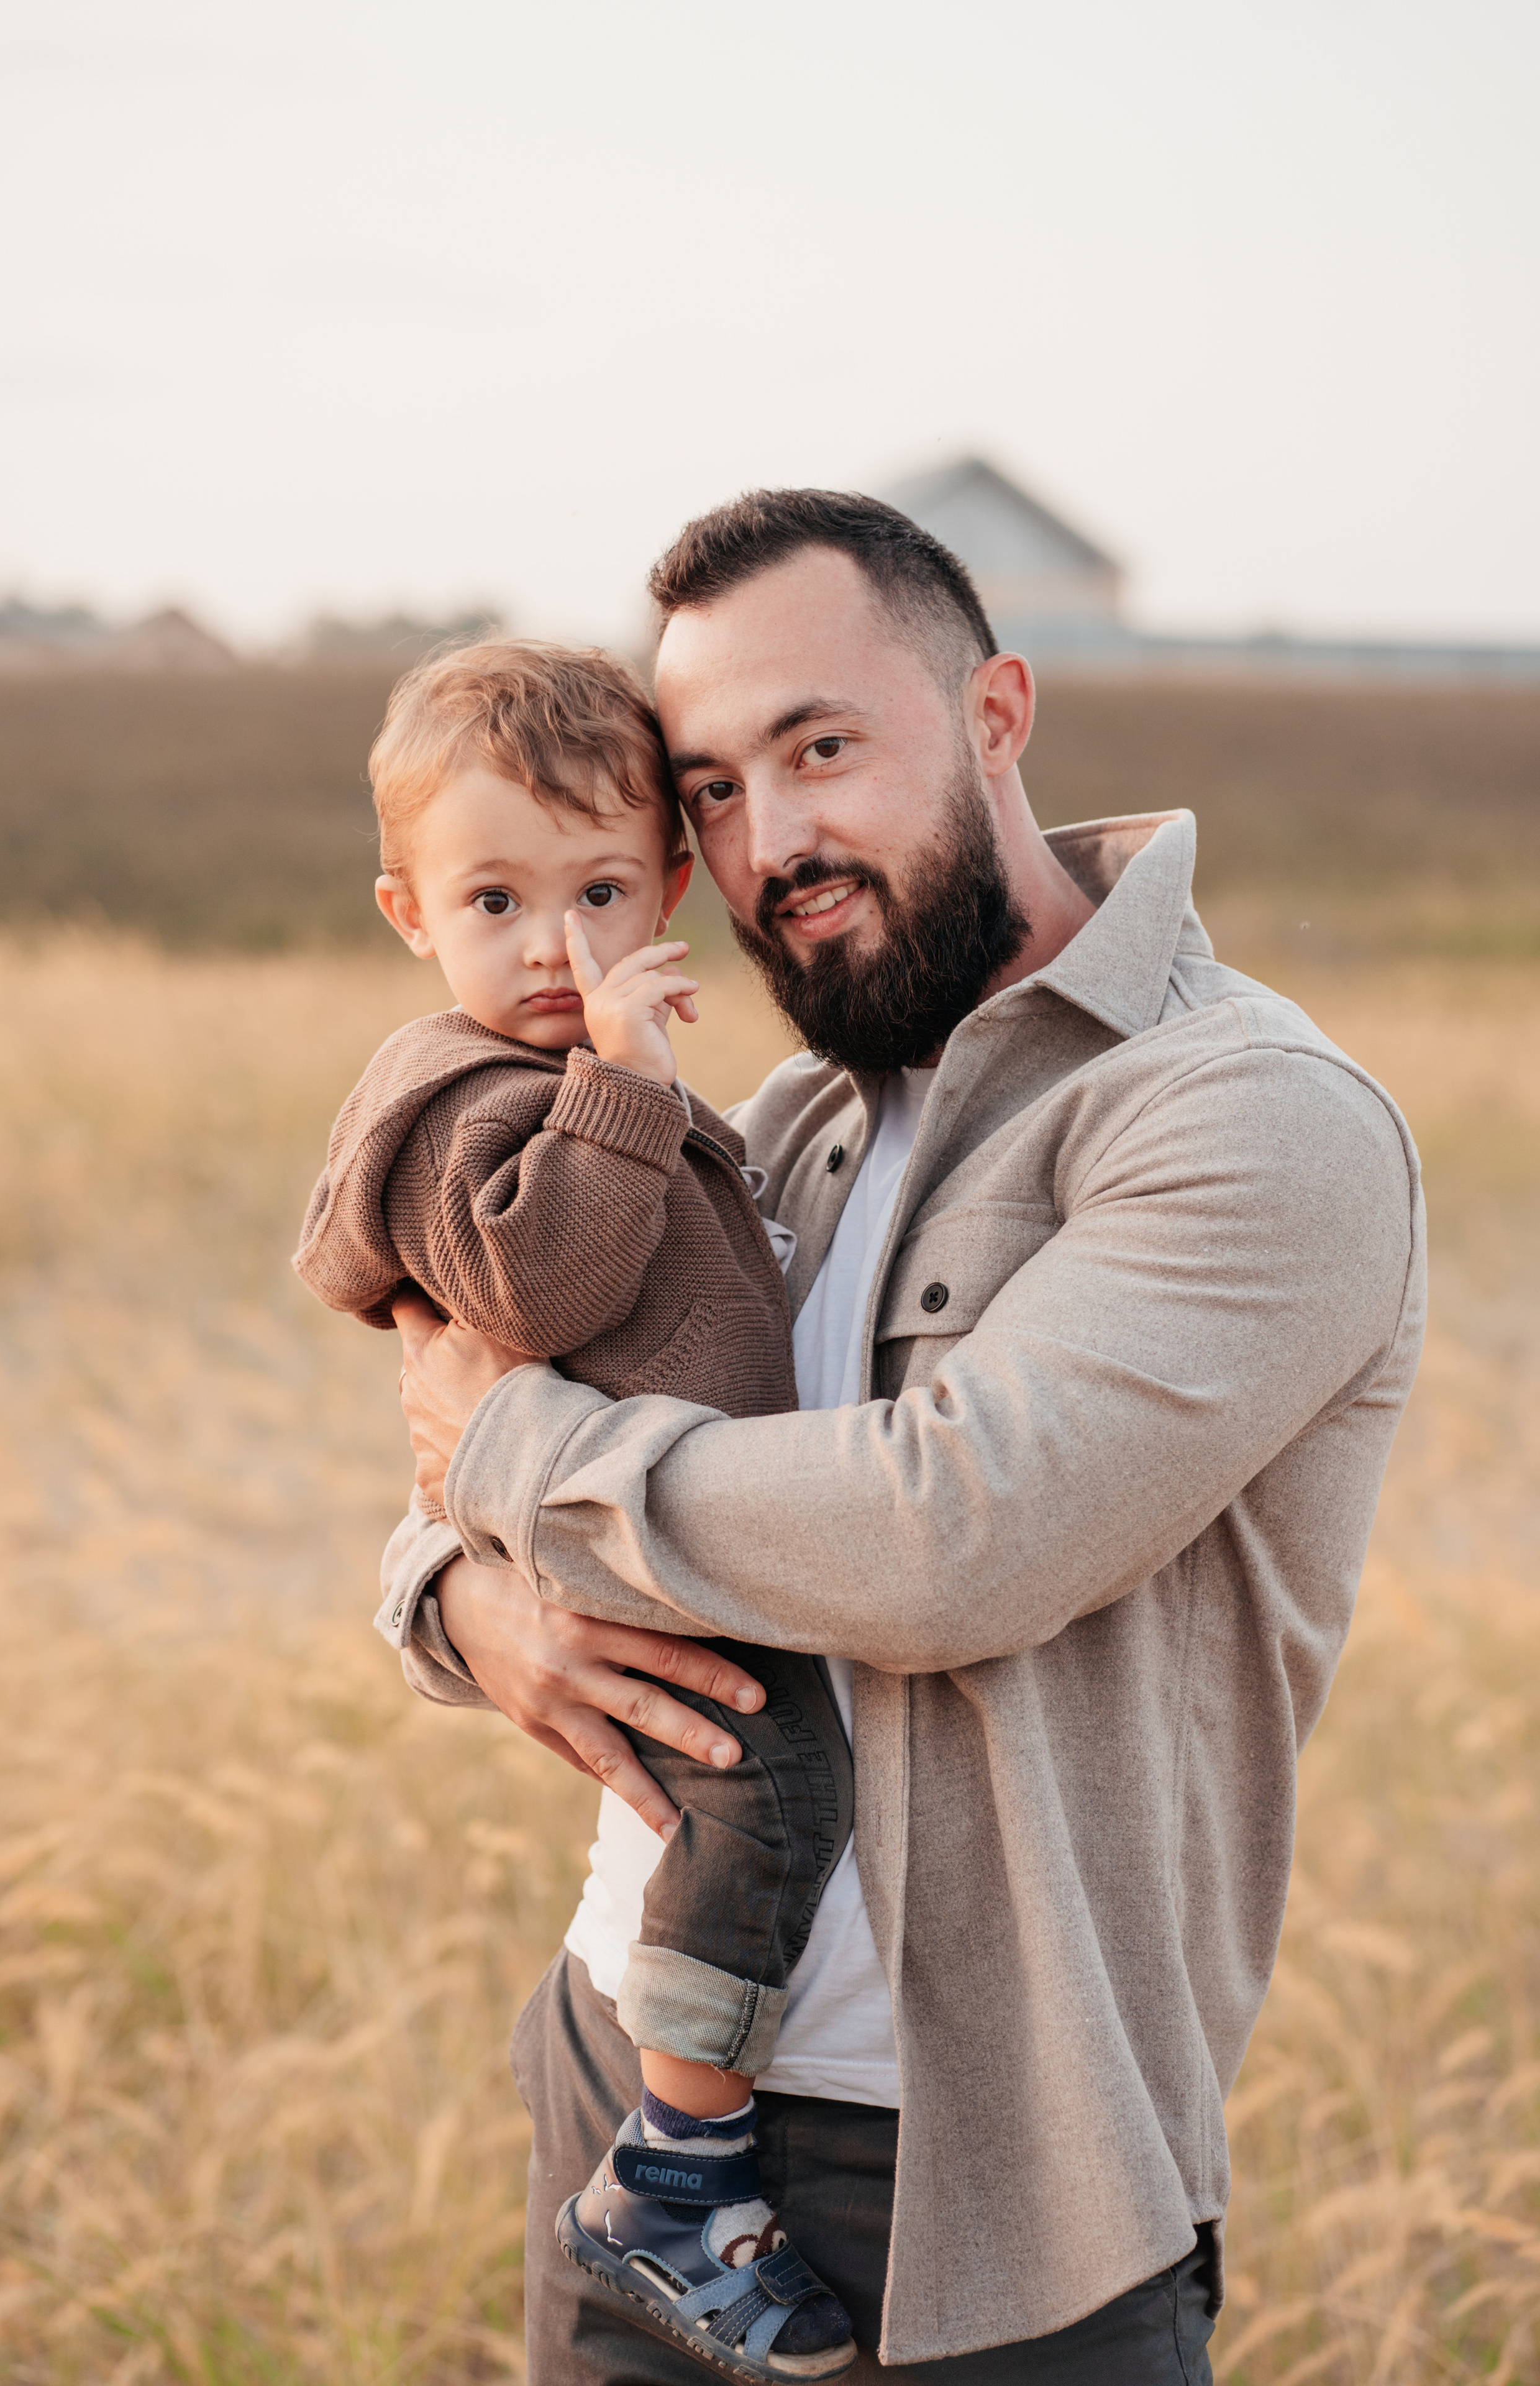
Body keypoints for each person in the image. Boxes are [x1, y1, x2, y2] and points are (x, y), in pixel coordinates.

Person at [383, 490, 1427, 2382]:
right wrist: (469, 1606)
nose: (770, 840)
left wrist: (513, 1467)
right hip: (630, 2089)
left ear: (997, 713)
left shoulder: (1250, 1116)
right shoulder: (787, 1114)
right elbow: (468, 1430)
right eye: (712, 789)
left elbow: (958, 1533)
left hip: (1000, 2187)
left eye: (821, 749)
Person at [293, 639, 862, 2379]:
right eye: (496, 901)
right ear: (410, 913)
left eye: (599, 892)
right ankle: (678, 2166)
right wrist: (623, 1084)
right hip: (646, 1573)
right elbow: (537, 1291)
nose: (555, 944)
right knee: (775, 1796)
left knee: (763, 1800)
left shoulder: (590, 1084)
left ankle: (685, 2149)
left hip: (668, 1534)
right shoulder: (466, 1104)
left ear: (669, 888)